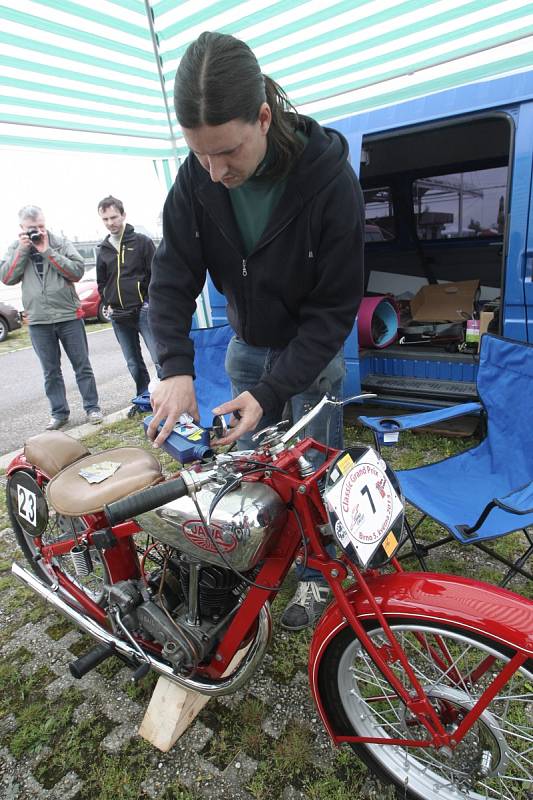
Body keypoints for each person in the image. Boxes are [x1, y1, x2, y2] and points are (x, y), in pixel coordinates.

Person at [147, 32, 364, 630]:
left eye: (227, 153)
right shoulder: (196, 180)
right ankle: (255, 562)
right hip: (247, 349)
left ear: (264, 118)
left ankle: (318, 578)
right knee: (247, 469)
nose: (215, 172)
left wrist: (273, 392)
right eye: (199, 155)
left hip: (314, 357)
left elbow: (333, 311)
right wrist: (174, 368)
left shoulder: (329, 182)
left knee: (318, 469)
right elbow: (170, 282)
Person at [0, 205, 103, 430]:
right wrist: (22, 250)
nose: (36, 232)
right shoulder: (16, 248)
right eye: (31, 229)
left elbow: (76, 271)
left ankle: (92, 407)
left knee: (82, 365)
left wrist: (47, 250)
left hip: (68, 315)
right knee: (50, 371)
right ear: (21, 229)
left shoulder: (59, 242)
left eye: (40, 227)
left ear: (45, 224)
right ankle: (59, 413)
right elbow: (7, 277)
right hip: (38, 320)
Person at [96, 195, 160, 400]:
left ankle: (166, 395)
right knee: (132, 361)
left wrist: (148, 303)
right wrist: (107, 303)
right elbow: (101, 282)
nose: (110, 223)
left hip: (143, 310)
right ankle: (143, 397)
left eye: (114, 217)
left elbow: (156, 274)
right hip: (118, 315)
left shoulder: (142, 242)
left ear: (123, 215)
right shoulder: (103, 249)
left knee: (158, 357)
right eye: (105, 219)